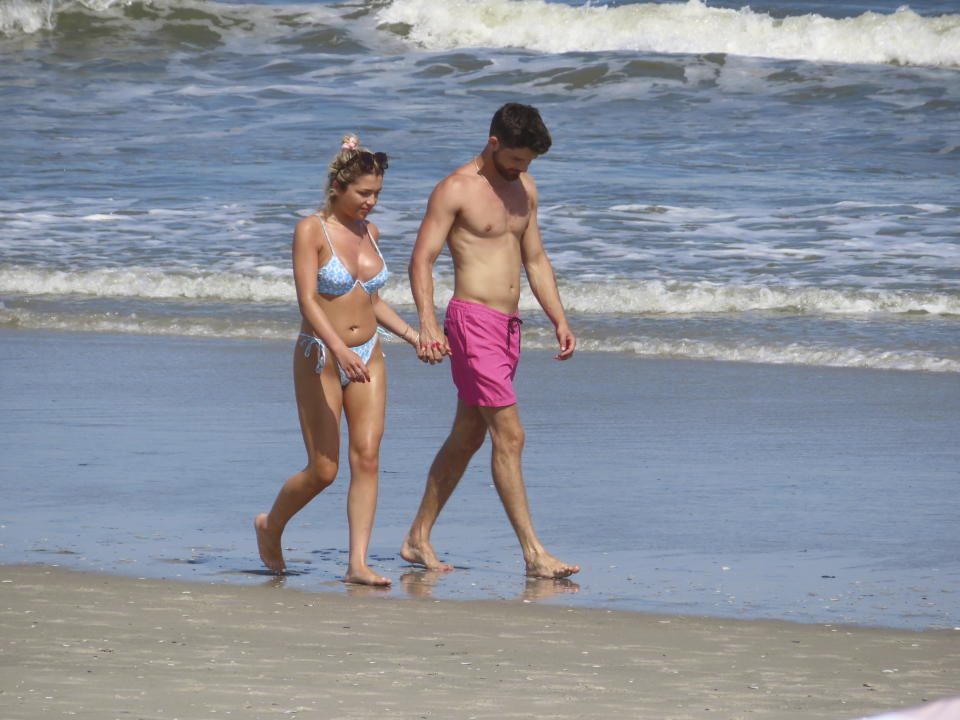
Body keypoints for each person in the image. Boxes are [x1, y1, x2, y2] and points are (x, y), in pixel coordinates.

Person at [400, 103, 580, 579]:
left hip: (509, 327)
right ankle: (534, 554)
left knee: (467, 436)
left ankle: (417, 538)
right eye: (518, 159)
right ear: (494, 142)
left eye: (530, 163)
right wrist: (429, 323)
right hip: (471, 321)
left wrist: (558, 318)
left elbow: (535, 259)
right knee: (511, 436)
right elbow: (422, 259)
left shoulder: (525, 188)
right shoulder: (456, 189)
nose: (523, 170)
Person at [255, 135, 419, 586]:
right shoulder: (312, 229)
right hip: (322, 356)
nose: (371, 202)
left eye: (377, 195)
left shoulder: (371, 233)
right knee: (324, 470)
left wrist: (413, 335)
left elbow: (372, 300)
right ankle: (271, 525)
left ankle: (358, 563)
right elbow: (308, 300)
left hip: (370, 355)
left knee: (367, 458)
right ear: (337, 187)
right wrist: (340, 349)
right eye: (363, 193)